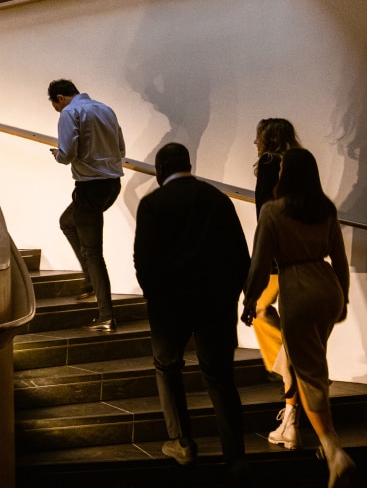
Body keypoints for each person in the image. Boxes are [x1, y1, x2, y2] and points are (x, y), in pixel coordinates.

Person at [134, 143, 250, 482]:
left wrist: (155, 298)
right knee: (220, 377)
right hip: (216, 303)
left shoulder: (153, 204)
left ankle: (181, 442)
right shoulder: (218, 199)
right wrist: (239, 297)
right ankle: (236, 456)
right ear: (189, 164)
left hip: (171, 304)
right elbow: (240, 256)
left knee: (167, 366)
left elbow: (145, 261)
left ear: (159, 172)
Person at [241, 148, 355, 487]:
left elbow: (261, 264)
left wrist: (249, 299)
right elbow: (340, 260)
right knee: (304, 360)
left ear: (284, 175)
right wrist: (344, 298)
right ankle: (294, 424)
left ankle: (333, 451)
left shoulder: (274, 211)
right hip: (327, 286)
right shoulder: (326, 210)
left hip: (298, 288)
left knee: (311, 374)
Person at [47, 79, 125, 332]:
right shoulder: (105, 108)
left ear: (59, 98)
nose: (58, 110)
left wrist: (58, 154)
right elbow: (121, 148)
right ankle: (89, 280)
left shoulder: (70, 112)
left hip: (90, 187)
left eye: (55, 106)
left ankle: (106, 316)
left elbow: (67, 154)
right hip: (112, 184)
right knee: (67, 222)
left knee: (93, 253)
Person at [249, 118, 305, 449]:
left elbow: (264, 214)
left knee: (257, 307)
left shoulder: (270, 164)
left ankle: (285, 368)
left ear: (267, 139)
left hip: (277, 257)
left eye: (257, 137)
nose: (253, 142)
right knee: (292, 332)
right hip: (303, 256)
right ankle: (291, 414)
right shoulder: (300, 165)